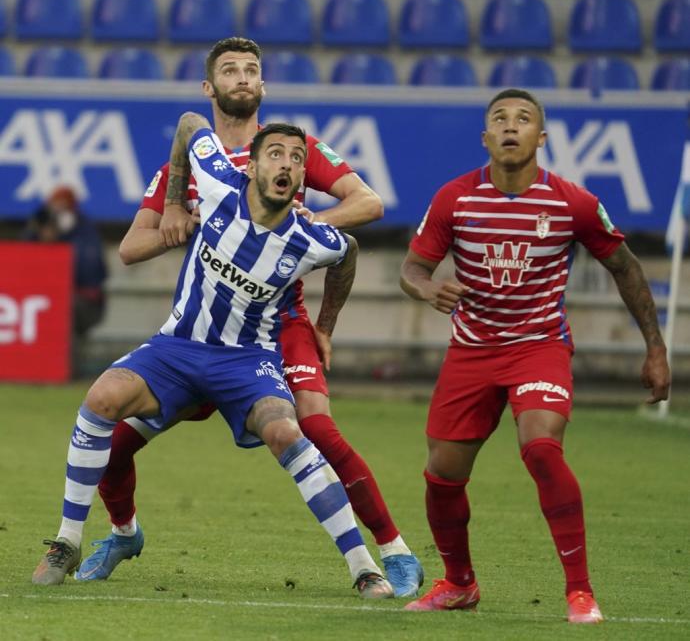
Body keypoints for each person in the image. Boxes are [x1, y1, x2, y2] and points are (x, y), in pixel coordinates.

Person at [74, 37, 422, 597]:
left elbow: (370, 203)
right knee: (115, 443)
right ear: (210, 88)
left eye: (251, 71)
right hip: (204, 332)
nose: (242, 78)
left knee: (315, 427)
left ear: (262, 86)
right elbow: (131, 249)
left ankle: (391, 551)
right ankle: (122, 533)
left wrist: (312, 217)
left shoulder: (288, 152)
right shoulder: (188, 163)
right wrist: (174, 219)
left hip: (280, 327)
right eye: (230, 70)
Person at [399, 89, 670, 623]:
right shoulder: (454, 198)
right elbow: (411, 269)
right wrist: (426, 288)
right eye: (499, 118)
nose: (510, 126)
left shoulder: (573, 203)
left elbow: (627, 267)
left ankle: (580, 592)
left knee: (542, 448)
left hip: (538, 346)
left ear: (540, 138)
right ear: (485, 138)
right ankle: (459, 583)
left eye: (523, 119)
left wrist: (656, 349)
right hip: (472, 351)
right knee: (442, 475)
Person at [22, 185, 108, 337]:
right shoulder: (39, 225)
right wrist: (40, 235)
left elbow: (91, 272)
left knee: (62, 311)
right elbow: (22, 262)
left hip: (82, 302)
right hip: (42, 297)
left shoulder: (84, 231)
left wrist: (64, 237)